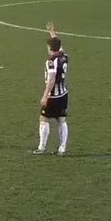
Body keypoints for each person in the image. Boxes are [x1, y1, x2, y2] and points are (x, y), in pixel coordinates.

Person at [33, 21, 69, 155]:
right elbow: (60, 47)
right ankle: (62, 148)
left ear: (49, 48)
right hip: (63, 95)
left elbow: (52, 79)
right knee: (61, 120)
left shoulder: (50, 62)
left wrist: (45, 95)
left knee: (44, 119)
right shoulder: (64, 57)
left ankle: (42, 147)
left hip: (53, 96)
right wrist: (52, 33)